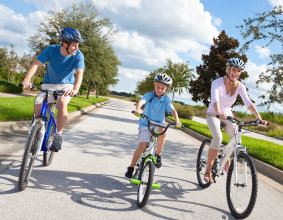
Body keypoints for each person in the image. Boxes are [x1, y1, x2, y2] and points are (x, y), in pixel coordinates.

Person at [204, 57, 268, 183]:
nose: (236, 73)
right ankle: (208, 170)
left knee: (236, 137)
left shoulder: (240, 86)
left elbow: (247, 102)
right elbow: (215, 100)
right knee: (217, 138)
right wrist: (218, 112)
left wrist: (258, 116)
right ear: (228, 69)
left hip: (227, 114)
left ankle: (226, 158)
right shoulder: (216, 82)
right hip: (213, 113)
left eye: (239, 71)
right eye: (234, 69)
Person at [22, 27, 85, 152]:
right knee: (39, 110)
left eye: (78, 45)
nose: (76, 48)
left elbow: (79, 74)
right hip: (48, 84)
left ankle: (58, 135)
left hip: (66, 86)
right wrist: (26, 80)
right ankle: (37, 131)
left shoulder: (78, 55)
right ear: (65, 44)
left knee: (61, 104)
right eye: (74, 45)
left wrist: (75, 89)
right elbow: (36, 64)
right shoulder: (51, 50)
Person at [125, 73, 182, 179]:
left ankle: (158, 154)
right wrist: (138, 109)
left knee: (162, 129)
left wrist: (177, 121)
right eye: (158, 87)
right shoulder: (149, 95)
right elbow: (142, 101)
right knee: (142, 146)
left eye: (163, 88)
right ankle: (131, 167)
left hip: (158, 124)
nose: (159, 90)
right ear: (154, 85)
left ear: (167, 89)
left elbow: (172, 110)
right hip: (145, 123)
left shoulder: (166, 99)